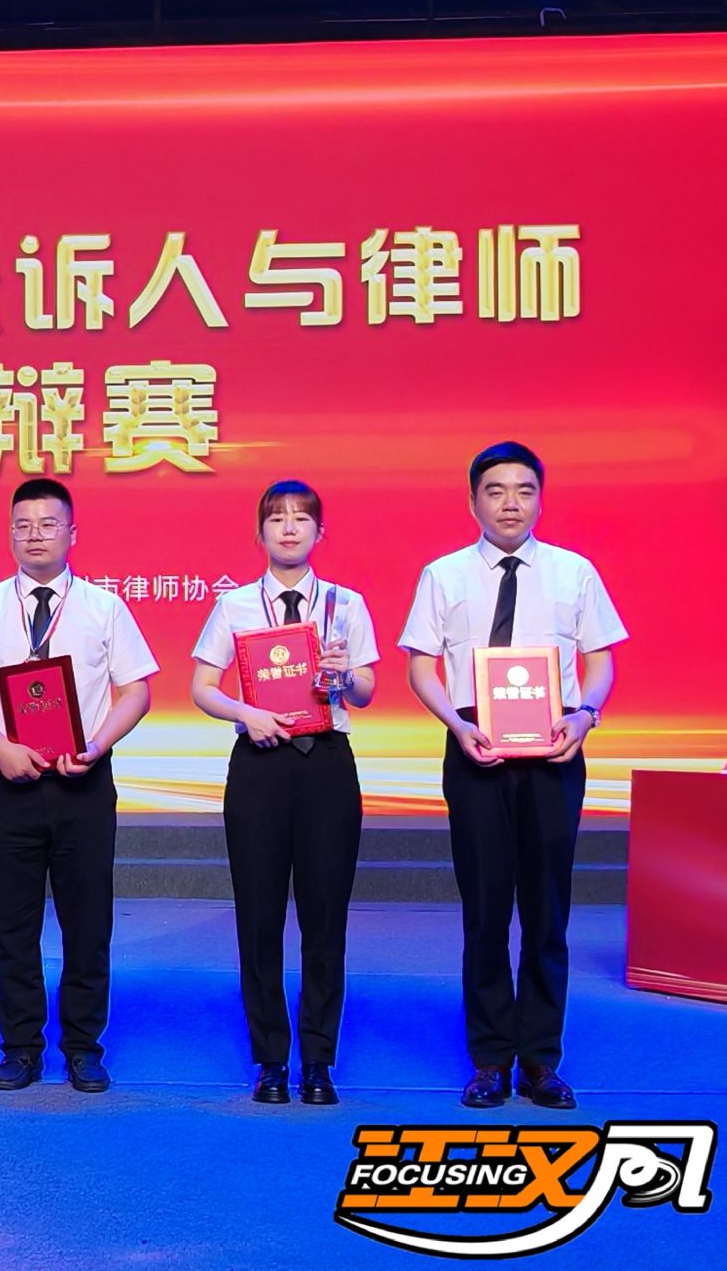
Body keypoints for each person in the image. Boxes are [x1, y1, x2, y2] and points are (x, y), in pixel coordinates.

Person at [400, 442, 624, 1112]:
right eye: (495, 491)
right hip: (475, 747)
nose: (510, 504)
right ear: (473, 500)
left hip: (555, 746)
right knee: (486, 909)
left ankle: (542, 1061)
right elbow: (420, 665)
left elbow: (600, 661)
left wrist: (585, 715)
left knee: (549, 910)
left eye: (524, 491)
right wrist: (456, 725)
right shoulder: (442, 574)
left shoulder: (574, 572)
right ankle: (492, 1059)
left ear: (540, 500)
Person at [0, 477, 156, 1093]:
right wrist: (0, 748)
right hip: (7, 780)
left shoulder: (103, 607)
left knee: (88, 922)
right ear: (10, 534)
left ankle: (84, 1047)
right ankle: (21, 1048)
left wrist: (98, 745)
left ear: (72, 533)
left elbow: (136, 691)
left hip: (82, 780)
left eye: (48, 524)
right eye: (23, 526)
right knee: (11, 924)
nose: (35, 535)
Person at [190, 480, 379, 1107]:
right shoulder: (236, 605)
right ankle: (270, 1059)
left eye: (302, 519)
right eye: (277, 519)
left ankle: (318, 1059)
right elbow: (202, 687)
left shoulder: (346, 604)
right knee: (259, 914)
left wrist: (344, 676)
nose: (290, 528)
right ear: (260, 533)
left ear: (320, 532)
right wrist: (246, 713)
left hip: (326, 765)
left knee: (326, 918)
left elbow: (367, 692)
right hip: (260, 765)